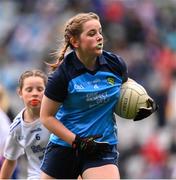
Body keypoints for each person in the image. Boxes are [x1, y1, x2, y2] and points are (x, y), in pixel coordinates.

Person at [40, 12, 158, 179]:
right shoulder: (62, 75)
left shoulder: (115, 64)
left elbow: (126, 84)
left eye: (100, 32)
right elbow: (46, 117)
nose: (99, 37)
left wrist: (144, 101)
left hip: (101, 147)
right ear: (75, 41)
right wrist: (77, 142)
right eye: (91, 33)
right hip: (65, 147)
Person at [0, 70, 50, 179]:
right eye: (29, 89)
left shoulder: (58, 115)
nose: (35, 93)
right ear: (20, 93)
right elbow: (10, 160)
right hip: (36, 176)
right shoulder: (17, 127)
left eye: (40, 89)